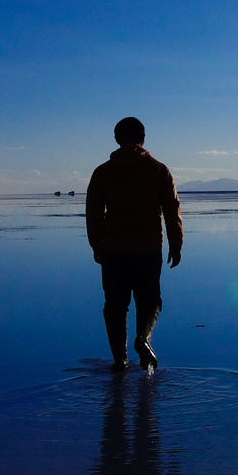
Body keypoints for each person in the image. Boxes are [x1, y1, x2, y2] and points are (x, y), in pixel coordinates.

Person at [86, 117, 183, 372]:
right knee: (150, 301)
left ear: (117, 139)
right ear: (143, 138)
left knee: (115, 306)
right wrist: (176, 244)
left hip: (113, 250)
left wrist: (96, 245)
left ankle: (120, 360)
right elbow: (172, 211)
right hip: (148, 249)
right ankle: (144, 340)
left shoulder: (103, 172)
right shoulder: (158, 170)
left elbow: (93, 213)